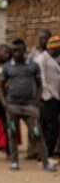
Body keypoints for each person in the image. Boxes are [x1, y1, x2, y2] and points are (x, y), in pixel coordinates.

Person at [0, 39, 55, 172]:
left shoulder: (33, 65)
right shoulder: (7, 67)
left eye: (19, 50)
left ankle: (45, 163)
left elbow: (39, 84)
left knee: (37, 133)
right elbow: (0, 86)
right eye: (14, 51)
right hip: (12, 106)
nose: (16, 53)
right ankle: (14, 162)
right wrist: (4, 102)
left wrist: (37, 100)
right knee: (12, 133)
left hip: (30, 106)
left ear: (24, 50)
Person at [34, 32, 60, 161]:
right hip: (48, 98)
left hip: (56, 97)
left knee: (50, 127)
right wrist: (46, 96)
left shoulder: (55, 58)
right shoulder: (42, 59)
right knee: (50, 127)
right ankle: (47, 154)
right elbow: (42, 80)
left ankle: (45, 154)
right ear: (53, 48)